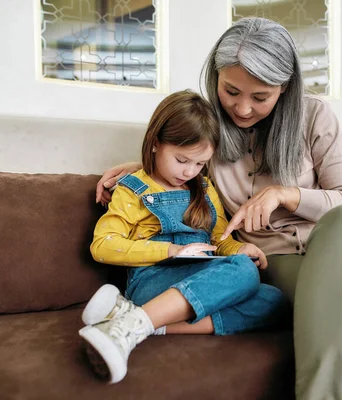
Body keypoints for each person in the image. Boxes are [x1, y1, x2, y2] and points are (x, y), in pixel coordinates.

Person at [96, 18, 342, 400]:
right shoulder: (208, 127)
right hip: (284, 263)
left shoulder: (314, 117)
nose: (242, 108)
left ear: (285, 89)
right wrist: (142, 168)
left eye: (260, 97)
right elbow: (181, 163)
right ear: (216, 79)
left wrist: (285, 195)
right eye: (231, 91)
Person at [80, 90, 287, 384]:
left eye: (200, 164)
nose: (189, 172)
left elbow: (219, 240)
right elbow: (102, 246)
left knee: (274, 301)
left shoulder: (203, 188)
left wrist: (240, 248)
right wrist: (170, 251)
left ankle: (135, 322)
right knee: (243, 273)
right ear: (155, 144)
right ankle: (136, 324)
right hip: (153, 280)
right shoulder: (133, 189)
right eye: (182, 160)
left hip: (200, 274)